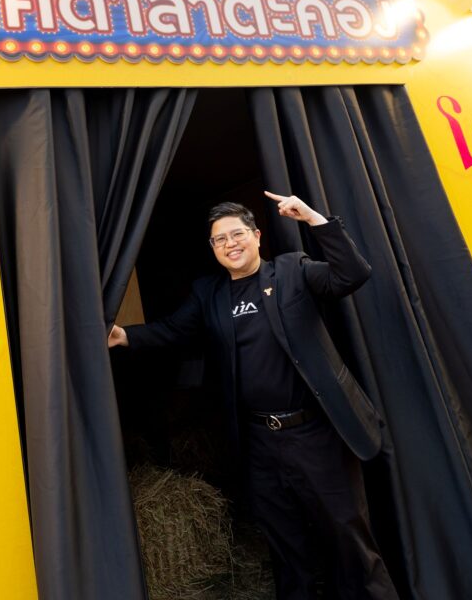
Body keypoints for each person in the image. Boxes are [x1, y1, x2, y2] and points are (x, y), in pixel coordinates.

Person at [108, 192, 398, 600]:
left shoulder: (292, 271)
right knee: (285, 545)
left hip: (315, 433)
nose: (230, 244)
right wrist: (124, 336)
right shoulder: (209, 294)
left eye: (237, 234)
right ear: (212, 248)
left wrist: (313, 219)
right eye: (220, 239)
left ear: (257, 236)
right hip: (260, 441)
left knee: (348, 535)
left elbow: (352, 274)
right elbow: (173, 330)